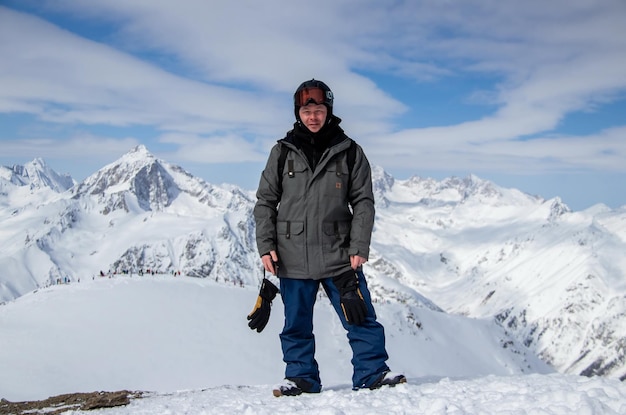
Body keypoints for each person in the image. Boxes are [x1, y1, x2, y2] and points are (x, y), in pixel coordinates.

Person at [248, 79, 406, 397]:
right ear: (298, 113)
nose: (313, 116)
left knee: (360, 316)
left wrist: (359, 246)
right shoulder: (281, 153)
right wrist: (266, 245)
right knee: (296, 324)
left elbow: (363, 202)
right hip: (292, 256)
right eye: (307, 110)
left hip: (340, 255)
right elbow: (265, 201)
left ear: (328, 111)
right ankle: (301, 378)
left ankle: (372, 372)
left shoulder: (349, 152)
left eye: (318, 110)